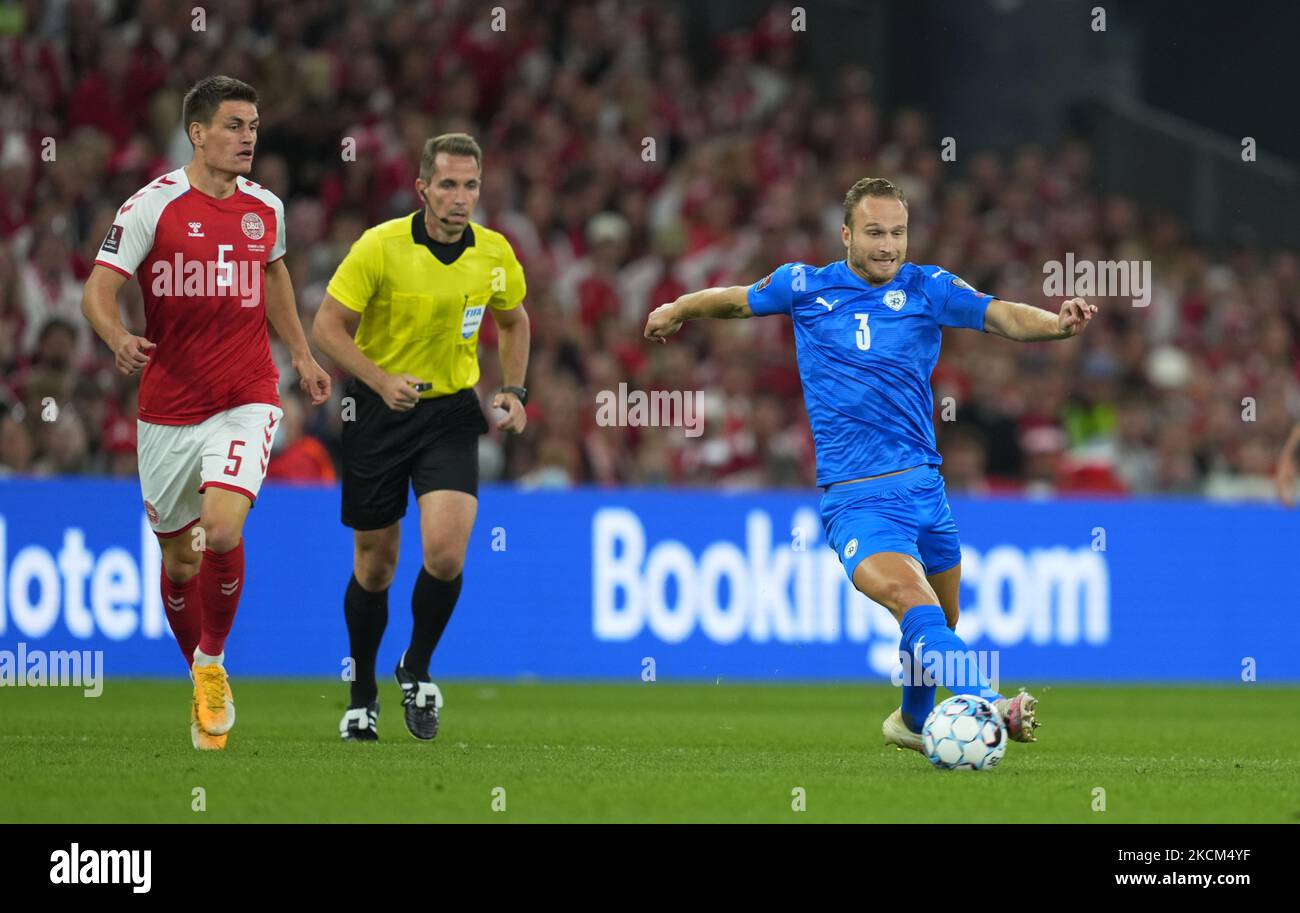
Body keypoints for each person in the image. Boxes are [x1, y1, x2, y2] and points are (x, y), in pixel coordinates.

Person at [644, 177, 1098, 755]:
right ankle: (991, 701)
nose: (889, 245)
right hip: (858, 501)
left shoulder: (929, 287)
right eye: (875, 232)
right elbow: (733, 299)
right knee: (919, 608)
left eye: (898, 232)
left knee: (941, 624)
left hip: (926, 492)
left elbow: (1000, 315)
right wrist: (679, 308)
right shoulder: (804, 285)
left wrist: (1057, 323)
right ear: (847, 235)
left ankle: (911, 722)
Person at [81, 75, 331, 751]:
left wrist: (302, 356)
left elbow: (273, 274)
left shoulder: (264, 209)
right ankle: (197, 671)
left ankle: (214, 662)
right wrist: (117, 337)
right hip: (168, 406)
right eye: (233, 125)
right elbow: (98, 292)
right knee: (180, 562)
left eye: (253, 125)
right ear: (197, 133)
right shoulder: (149, 208)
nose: (248, 136)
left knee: (220, 529)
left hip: (247, 393)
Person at [311, 133, 529, 742]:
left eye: (472, 186)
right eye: (449, 185)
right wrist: (380, 381)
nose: (462, 199)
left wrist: (514, 391)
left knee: (446, 553)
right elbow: (326, 328)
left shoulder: (493, 252)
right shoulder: (379, 246)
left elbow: (514, 320)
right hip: (377, 413)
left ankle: (417, 667)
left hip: (451, 412)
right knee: (376, 567)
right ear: (423, 189)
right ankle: (361, 694)